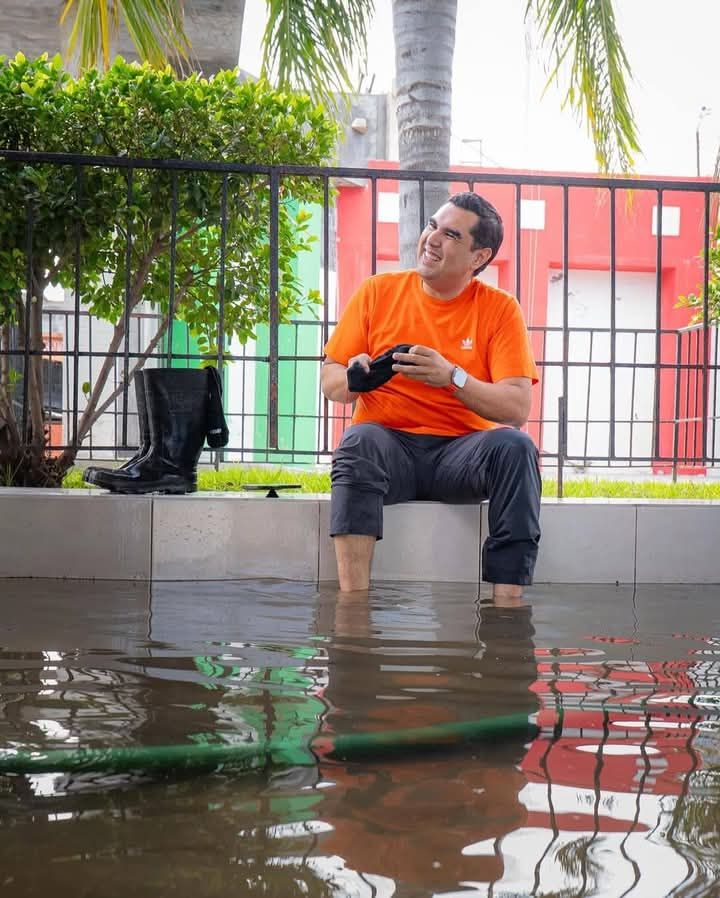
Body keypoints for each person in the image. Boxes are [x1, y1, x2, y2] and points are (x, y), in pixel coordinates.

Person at [321, 191, 541, 602]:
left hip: (460, 458)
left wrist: (452, 377)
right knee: (358, 441)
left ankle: (507, 608)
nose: (432, 239)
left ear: (479, 257)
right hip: (387, 451)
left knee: (517, 447)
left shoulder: (500, 309)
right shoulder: (378, 291)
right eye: (431, 226)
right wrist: (354, 379)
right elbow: (330, 379)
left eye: (451, 235)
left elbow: (516, 408)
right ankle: (353, 610)